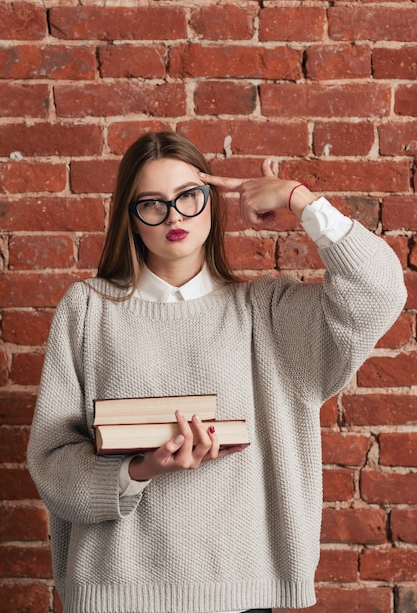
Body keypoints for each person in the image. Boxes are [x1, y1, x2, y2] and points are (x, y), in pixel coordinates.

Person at [27, 131, 406, 613]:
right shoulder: (86, 311)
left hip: (239, 592)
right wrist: (140, 470)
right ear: (132, 219)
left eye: (189, 197)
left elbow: (380, 292)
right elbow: (52, 462)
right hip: (115, 590)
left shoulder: (267, 313)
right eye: (153, 204)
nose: (175, 217)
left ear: (213, 202)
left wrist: (300, 200)